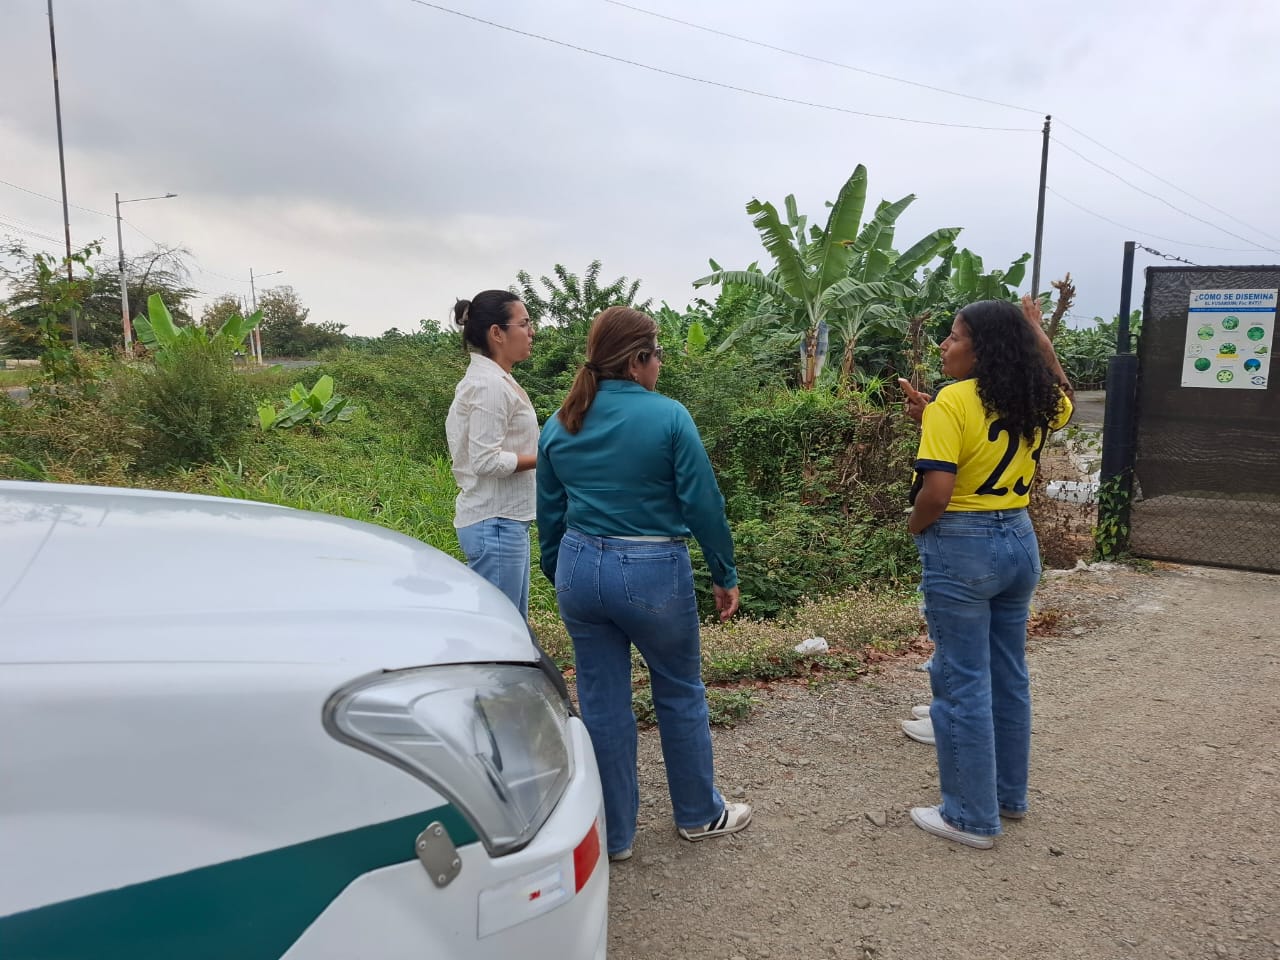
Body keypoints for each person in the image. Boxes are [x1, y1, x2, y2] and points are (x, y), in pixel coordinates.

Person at [537, 306, 751, 863]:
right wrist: (724, 572)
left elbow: (550, 511)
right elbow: (703, 503)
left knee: (602, 702)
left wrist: (559, 570)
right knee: (678, 691)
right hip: (652, 570)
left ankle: (614, 835)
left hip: (579, 569)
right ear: (637, 360)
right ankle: (699, 814)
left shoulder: (561, 421)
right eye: (657, 355)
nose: (660, 365)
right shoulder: (669, 417)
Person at [904, 295, 1073, 849]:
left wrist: (915, 526)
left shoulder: (951, 402)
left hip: (963, 544)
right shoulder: (1037, 399)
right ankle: (1008, 797)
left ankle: (969, 817)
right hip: (1020, 540)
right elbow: (1063, 391)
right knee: (1008, 674)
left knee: (961, 682)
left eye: (954, 336)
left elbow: (937, 492)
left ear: (981, 350)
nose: (944, 345)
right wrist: (1039, 336)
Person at [445, 290, 538, 619]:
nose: (531, 332)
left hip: (503, 521)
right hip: (495, 523)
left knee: (511, 626)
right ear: (497, 333)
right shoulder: (490, 386)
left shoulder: (498, 380)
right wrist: (545, 457)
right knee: (500, 631)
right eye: (524, 324)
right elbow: (486, 461)